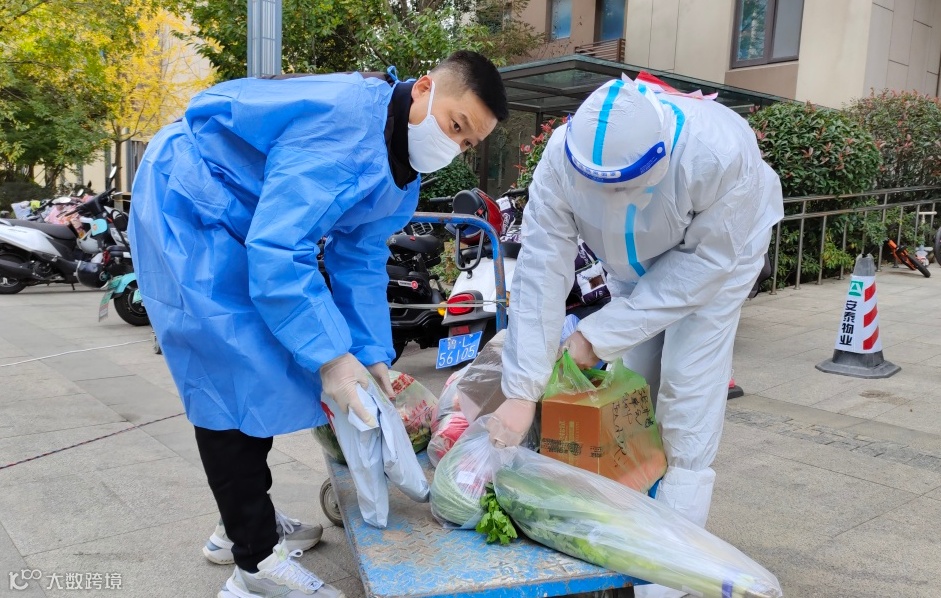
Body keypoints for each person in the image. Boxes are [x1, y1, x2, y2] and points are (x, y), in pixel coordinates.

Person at [129, 51, 507, 598]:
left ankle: (239, 524)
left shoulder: (400, 172)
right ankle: (254, 565)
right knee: (234, 377)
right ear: (425, 88)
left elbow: (361, 259)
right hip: (194, 201)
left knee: (264, 371)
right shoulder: (346, 128)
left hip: (247, 218)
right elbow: (280, 249)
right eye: (455, 125)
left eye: (467, 142)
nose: (454, 145)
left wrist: (371, 355)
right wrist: (332, 358)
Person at [490, 76, 783, 598]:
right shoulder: (560, 158)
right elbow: (541, 270)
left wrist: (595, 336)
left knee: (686, 388)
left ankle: (670, 573)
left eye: (624, 188)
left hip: (718, 260)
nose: (611, 199)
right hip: (631, 264)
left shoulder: (717, 151)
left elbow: (703, 267)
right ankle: (632, 522)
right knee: (635, 388)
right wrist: (521, 390)